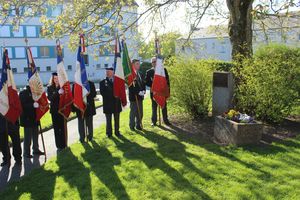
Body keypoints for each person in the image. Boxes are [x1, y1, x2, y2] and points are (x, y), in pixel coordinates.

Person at [19, 85, 44, 158]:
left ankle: (36, 149)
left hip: (35, 117)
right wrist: (32, 105)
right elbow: (22, 105)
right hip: (27, 118)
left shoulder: (36, 91)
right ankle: (26, 152)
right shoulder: (23, 92)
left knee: (36, 135)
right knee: (28, 137)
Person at [145, 56, 171, 126]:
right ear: (151, 63)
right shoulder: (149, 72)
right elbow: (146, 82)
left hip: (162, 91)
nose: (154, 63)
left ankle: (166, 120)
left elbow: (167, 82)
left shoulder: (163, 70)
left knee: (164, 106)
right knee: (154, 107)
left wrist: (168, 92)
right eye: (153, 62)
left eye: (155, 61)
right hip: (154, 92)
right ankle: (154, 121)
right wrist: (153, 85)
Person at [100, 67, 122, 138]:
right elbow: (103, 93)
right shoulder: (102, 82)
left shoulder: (117, 81)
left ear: (113, 73)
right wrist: (113, 95)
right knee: (108, 120)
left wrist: (117, 95)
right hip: (108, 104)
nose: (107, 73)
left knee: (117, 119)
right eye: (106, 72)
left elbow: (121, 91)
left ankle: (117, 132)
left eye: (109, 72)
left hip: (116, 103)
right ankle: (109, 133)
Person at [47, 72, 66, 150]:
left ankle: (63, 144)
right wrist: (57, 92)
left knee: (62, 128)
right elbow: (50, 98)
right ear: (52, 79)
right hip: (54, 111)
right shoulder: (50, 87)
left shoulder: (63, 86)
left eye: (58, 78)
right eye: (55, 78)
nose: (56, 80)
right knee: (56, 129)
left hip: (61, 110)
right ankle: (58, 145)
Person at [129, 59, 146, 131]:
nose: (139, 65)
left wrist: (144, 91)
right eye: (137, 64)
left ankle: (138, 124)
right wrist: (138, 92)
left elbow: (143, 83)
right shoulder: (130, 75)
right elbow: (131, 87)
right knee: (133, 112)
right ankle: (132, 125)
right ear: (133, 65)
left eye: (139, 63)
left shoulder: (140, 73)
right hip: (133, 97)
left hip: (140, 97)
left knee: (140, 112)